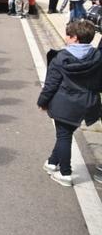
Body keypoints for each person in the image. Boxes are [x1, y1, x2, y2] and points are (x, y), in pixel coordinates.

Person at [38, 20, 102, 186]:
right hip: (86, 103)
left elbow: (51, 84)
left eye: (68, 35)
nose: (65, 37)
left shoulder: (61, 58)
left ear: (75, 38)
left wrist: (43, 101)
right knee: (65, 133)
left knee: (64, 136)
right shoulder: (97, 57)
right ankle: (52, 162)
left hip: (64, 103)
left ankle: (65, 173)